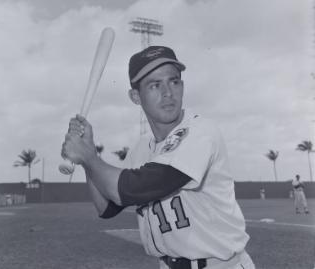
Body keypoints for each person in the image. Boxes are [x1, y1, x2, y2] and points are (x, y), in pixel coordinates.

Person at [62, 46, 255, 269]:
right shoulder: (142, 147)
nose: (168, 93)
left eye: (174, 82)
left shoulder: (201, 132)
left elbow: (131, 189)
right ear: (136, 96)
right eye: (155, 85)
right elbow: (106, 207)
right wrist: (88, 155)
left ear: (182, 86)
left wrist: (87, 157)